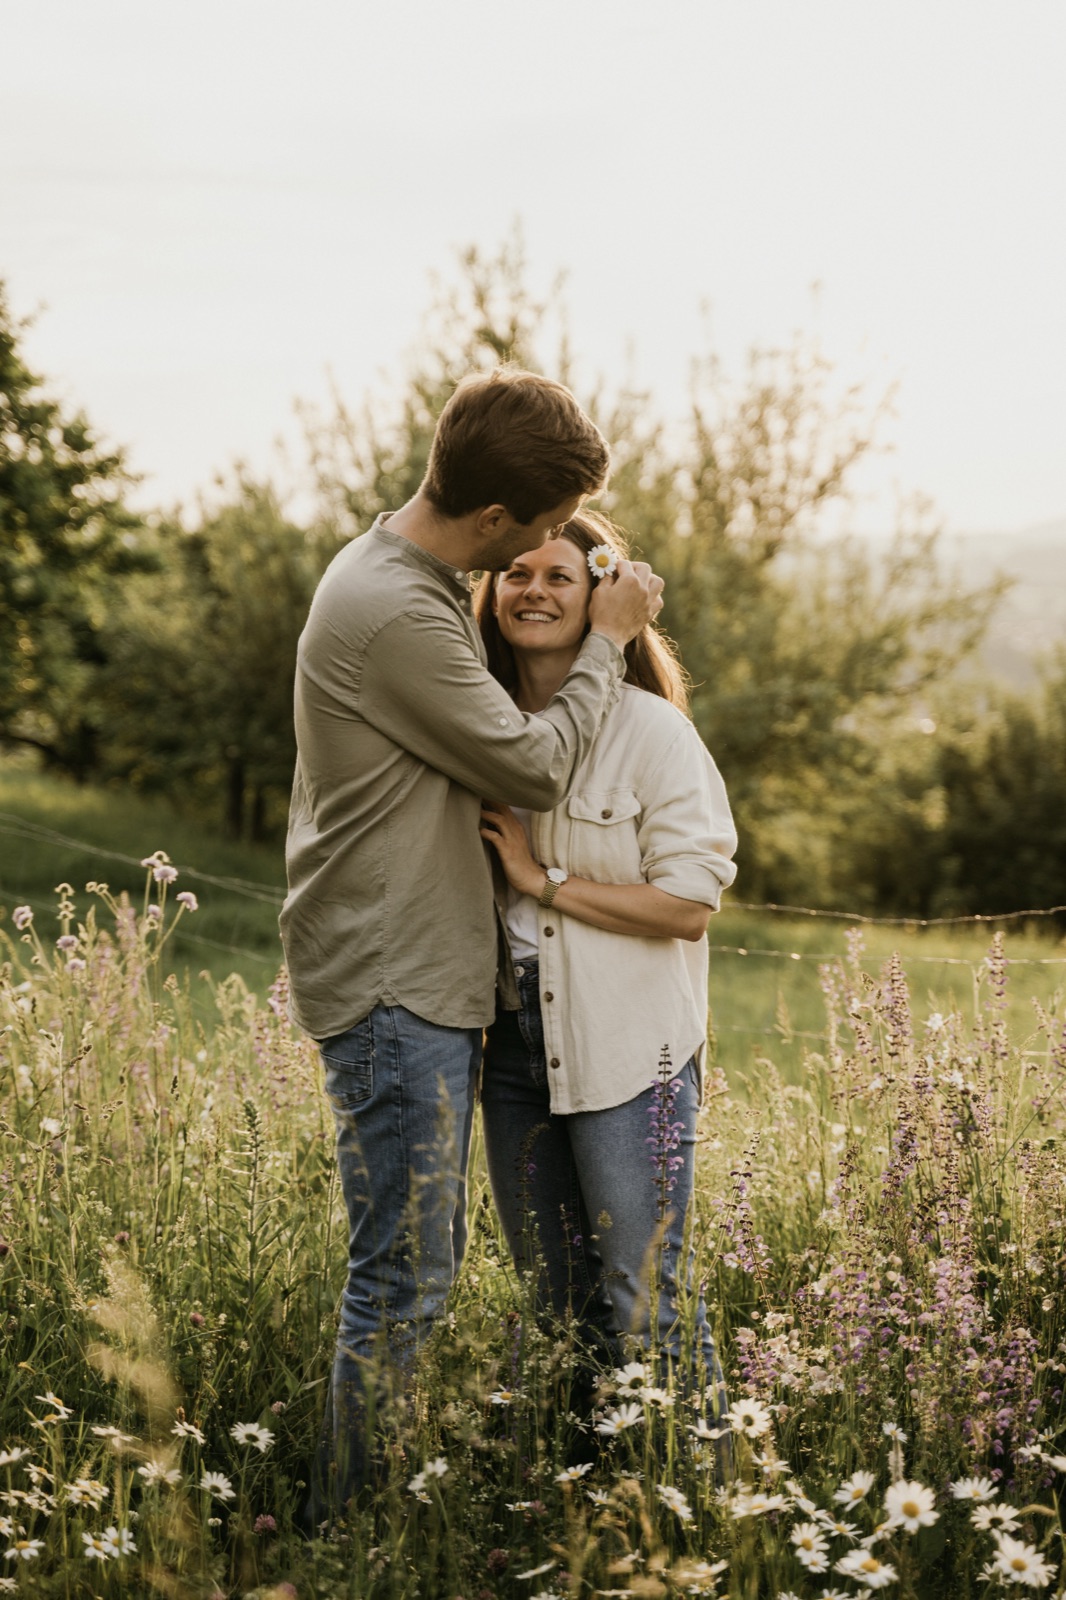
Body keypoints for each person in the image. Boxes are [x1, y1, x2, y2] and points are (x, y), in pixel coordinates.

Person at [279, 368, 664, 1515]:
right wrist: (607, 640)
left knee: (408, 1268)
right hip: (396, 979)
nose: (550, 549)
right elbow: (535, 765)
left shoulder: (406, 573)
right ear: (494, 523)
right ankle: (348, 1532)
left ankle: (357, 1512)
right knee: (405, 1276)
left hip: (415, 967)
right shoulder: (396, 606)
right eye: (542, 532)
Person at [475, 509, 737, 1441]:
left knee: (642, 1295)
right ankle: (572, 1501)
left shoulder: (653, 733)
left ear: (600, 598)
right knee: (553, 1297)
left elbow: (690, 904)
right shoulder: (478, 725)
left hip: (632, 1048)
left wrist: (544, 881)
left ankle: (698, 1495)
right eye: (514, 574)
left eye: (557, 576)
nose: (533, 591)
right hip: (510, 1046)